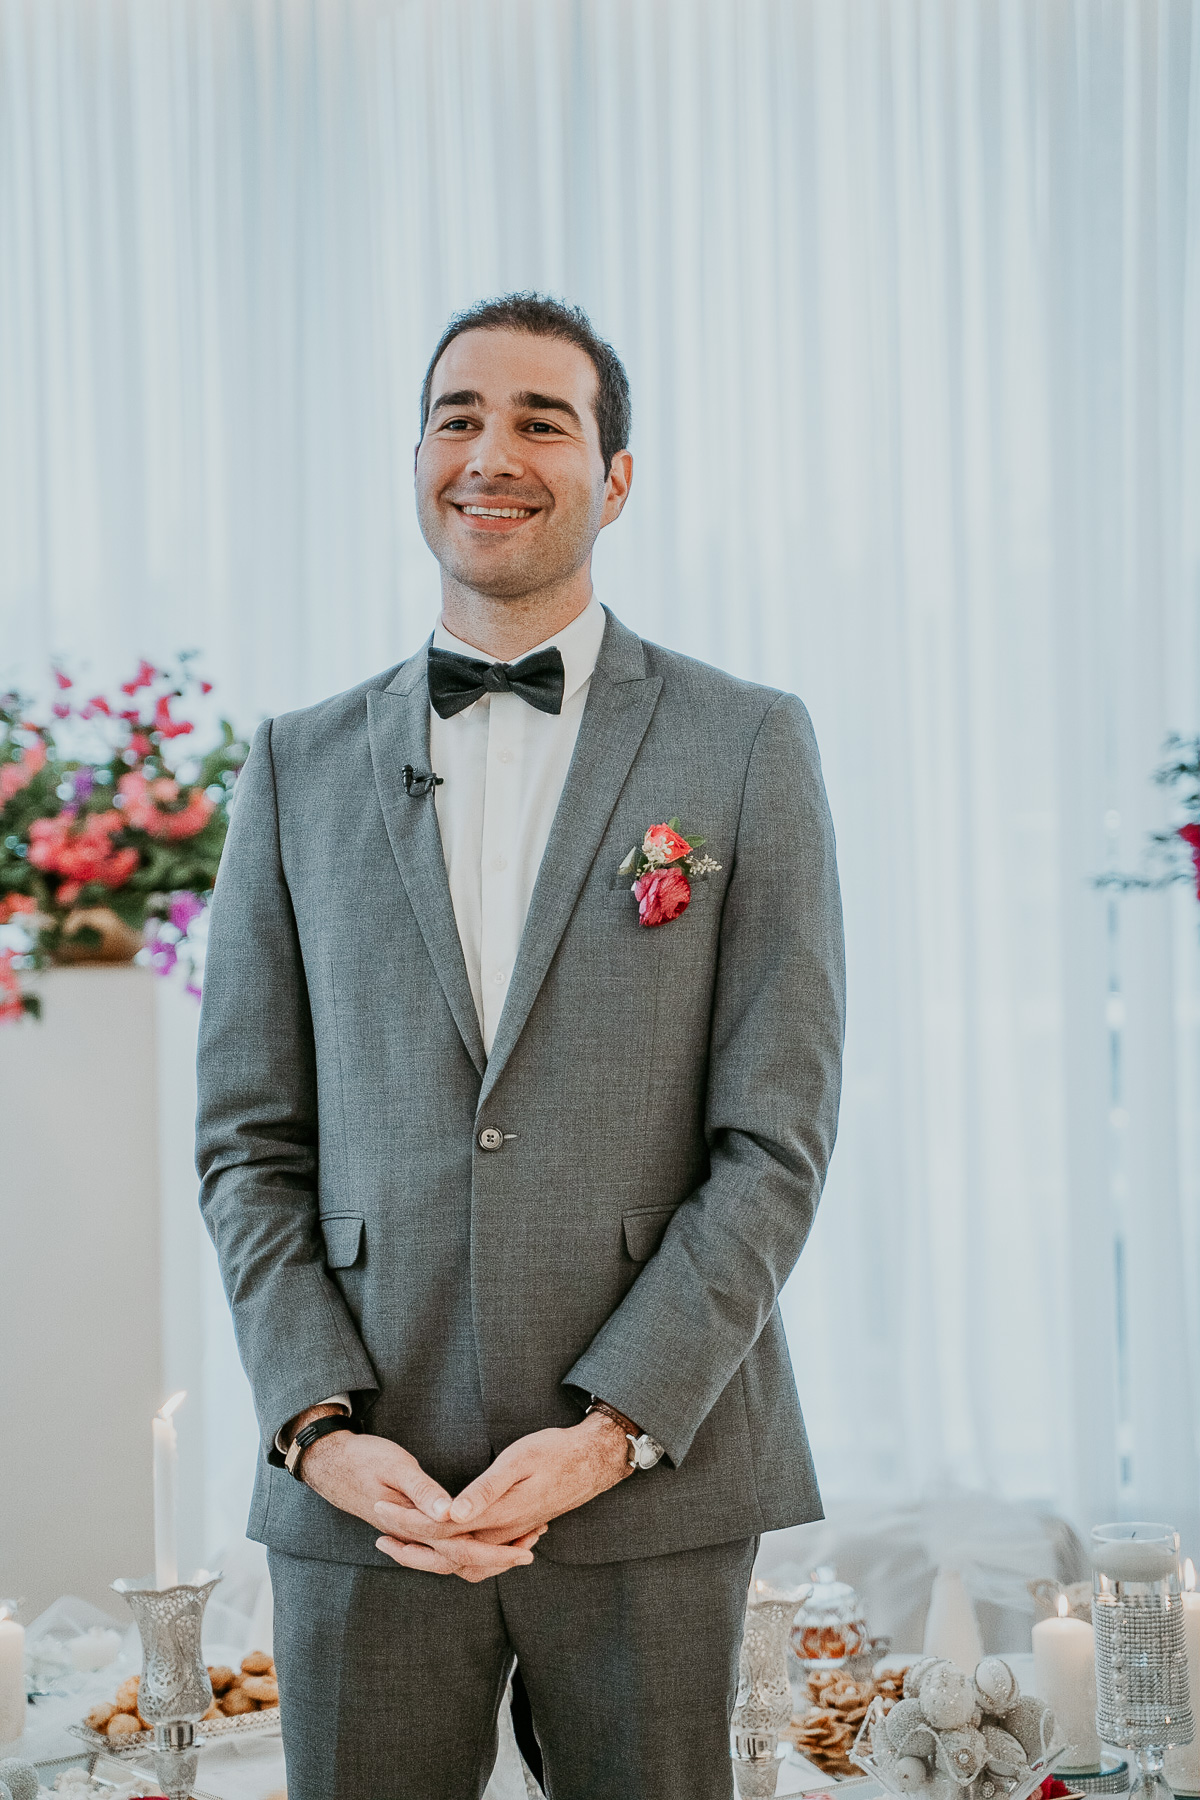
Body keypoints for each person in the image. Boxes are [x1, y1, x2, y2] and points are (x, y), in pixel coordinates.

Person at [196, 293, 846, 1800]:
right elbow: (248, 1139)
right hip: (369, 1480)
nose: (492, 452)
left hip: (652, 1483)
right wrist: (318, 1431)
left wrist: (613, 1430)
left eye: (542, 420)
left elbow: (776, 1138)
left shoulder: (747, 745)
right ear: (416, 458)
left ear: (616, 477)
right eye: (457, 416)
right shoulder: (292, 765)